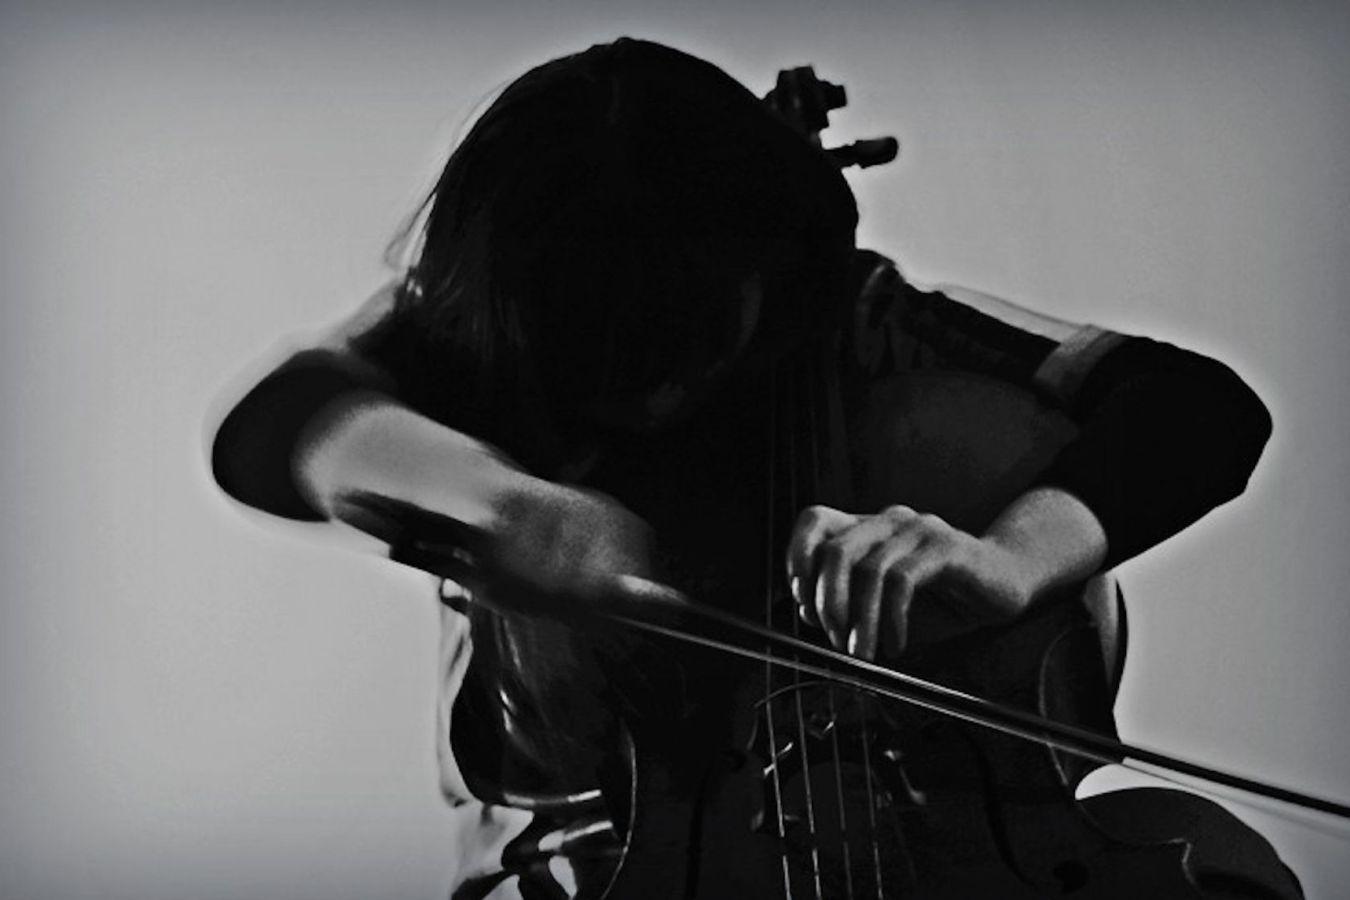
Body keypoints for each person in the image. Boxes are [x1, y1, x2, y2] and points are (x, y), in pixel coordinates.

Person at [210, 38, 1300, 899]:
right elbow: (276, 428)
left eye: (691, 335)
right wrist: (497, 501)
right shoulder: (485, 348)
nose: (661, 394)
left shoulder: (859, 321)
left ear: (767, 265)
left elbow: (1193, 407)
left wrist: (1007, 558)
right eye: (615, 361)